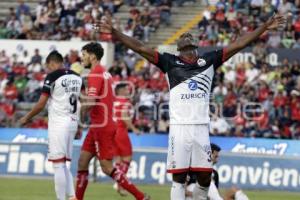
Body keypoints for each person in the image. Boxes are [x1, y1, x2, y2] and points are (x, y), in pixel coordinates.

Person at [96, 14, 285, 200]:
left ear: (195, 45)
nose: (186, 43)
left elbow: (238, 44)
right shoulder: (169, 62)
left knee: (205, 176)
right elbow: (140, 47)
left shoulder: (209, 60)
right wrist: (115, 32)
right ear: (179, 49)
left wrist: (264, 28)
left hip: (201, 126)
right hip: (179, 128)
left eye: (189, 41)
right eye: (183, 42)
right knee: (178, 178)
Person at [74, 42, 149, 200]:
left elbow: (91, 102)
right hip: (98, 125)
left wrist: (78, 118)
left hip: (103, 126)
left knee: (107, 168)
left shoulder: (96, 73)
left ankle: (140, 196)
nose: (82, 58)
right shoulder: (104, 72)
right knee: (82, 162)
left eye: (84, 54)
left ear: (93, 56)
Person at [18, 50, 84, 200]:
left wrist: (26, 117)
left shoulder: (53, 76)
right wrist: (79, 124)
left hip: (59, 123)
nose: (48, 69)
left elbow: (41, 104)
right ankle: (73, 197)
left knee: (58, 165)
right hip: (73, 122)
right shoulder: (77, 77)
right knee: (64, 164)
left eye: (48, 66)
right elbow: (82, 102)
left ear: (53, 63)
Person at [113, 82, 141, 196]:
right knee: (127, 158)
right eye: (126, 89)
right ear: (120, 91)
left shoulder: (113, 101)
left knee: (118, 160)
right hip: (121, 132)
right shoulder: (125, 102)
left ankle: (119, 182)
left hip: (112, 132)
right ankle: (119, 184)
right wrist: (134, 129)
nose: (128, 91)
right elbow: (124, 116)